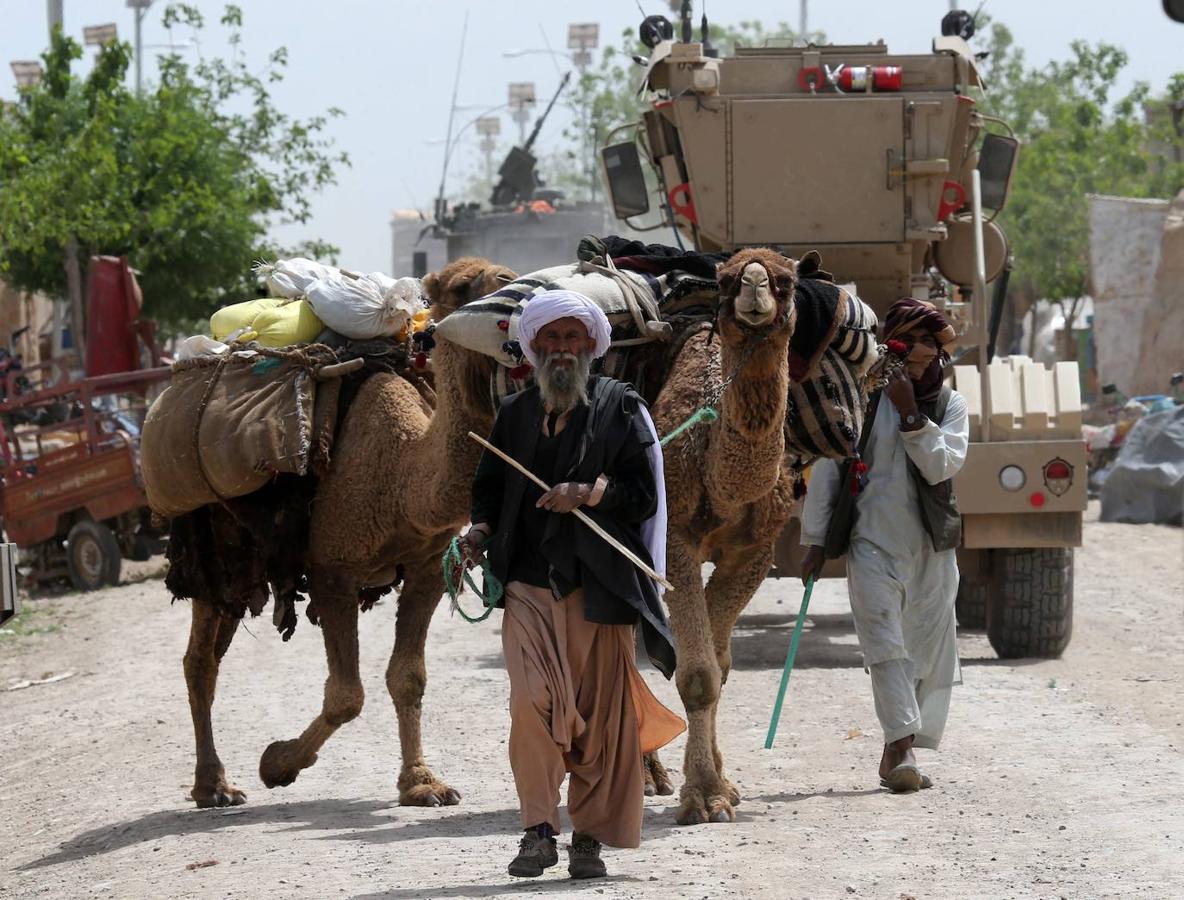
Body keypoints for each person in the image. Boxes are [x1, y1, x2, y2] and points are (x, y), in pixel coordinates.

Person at [457, 290, 684, 880]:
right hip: (528, 587)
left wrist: (589, 494)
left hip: (597, 589)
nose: (561, 349)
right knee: (531, 704)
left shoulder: (622, 409)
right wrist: (478, 530)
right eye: (550, 339)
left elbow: (644, 495)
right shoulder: (512, 414)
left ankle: (588, 839)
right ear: (532, 347)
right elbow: (488, 486)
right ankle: (537, 831)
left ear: (591, 346)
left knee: (600, 720)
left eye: (571, 338)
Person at [799, 297, 969, 793]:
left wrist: (912, 414)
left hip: (933, 551)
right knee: (884, 644)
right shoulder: (859, 399)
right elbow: (830, 468)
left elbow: (942, 465)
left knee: (922, 650)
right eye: (909, 342)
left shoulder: (950, 406)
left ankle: (899, 740)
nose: (919, 353)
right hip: (871, 543)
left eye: (928, 345)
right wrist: (813, 540)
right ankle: (901, 745)